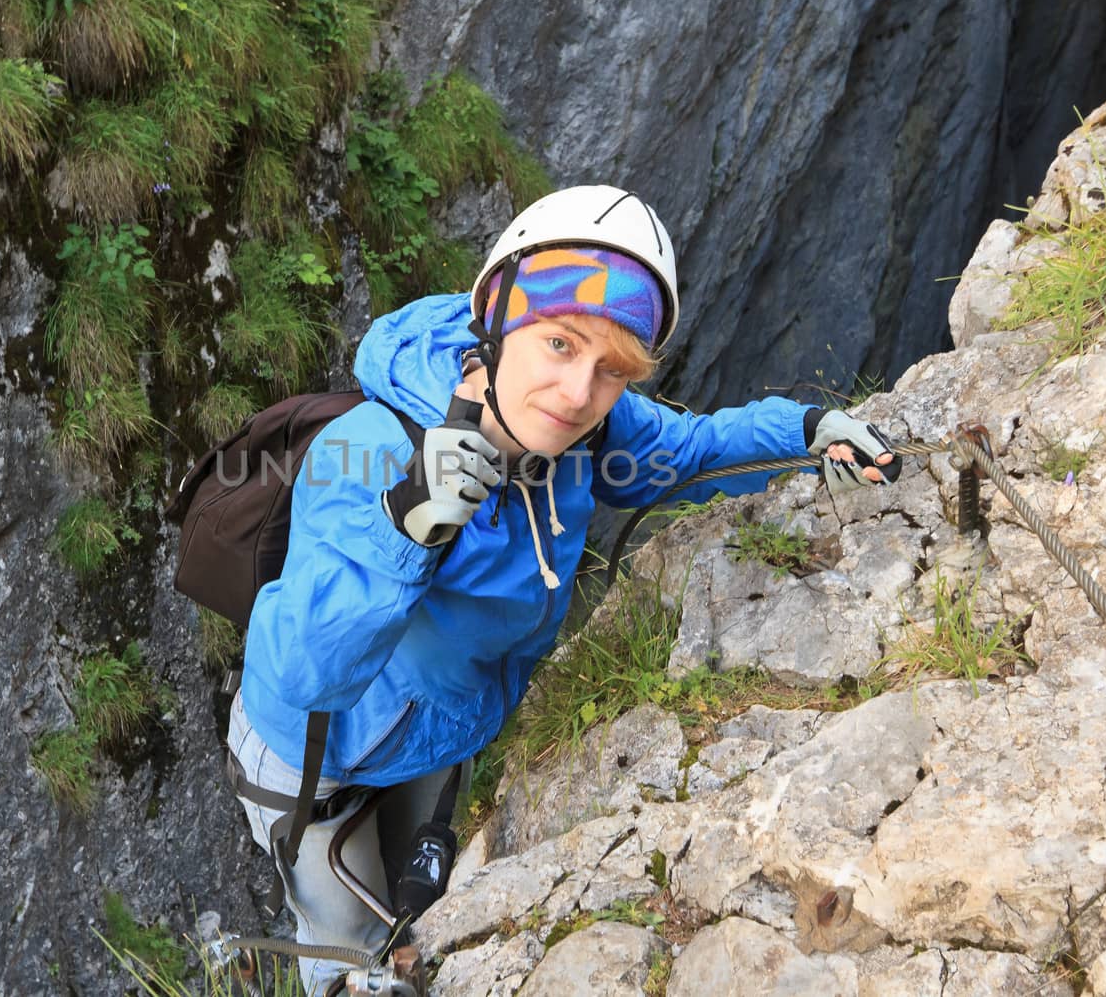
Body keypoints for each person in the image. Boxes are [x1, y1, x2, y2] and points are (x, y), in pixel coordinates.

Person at [224, 185, 898, 994]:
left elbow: (690, 453)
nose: (578, 392)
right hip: (314, 753)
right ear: (497, 321)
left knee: (418, 918)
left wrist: (804, 431)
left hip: (438, 724)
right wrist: (406, 524)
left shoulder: (594, 435)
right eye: (558, 344)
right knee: (349, 950)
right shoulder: (368, 448)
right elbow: (302, 669)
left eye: (612, 369)